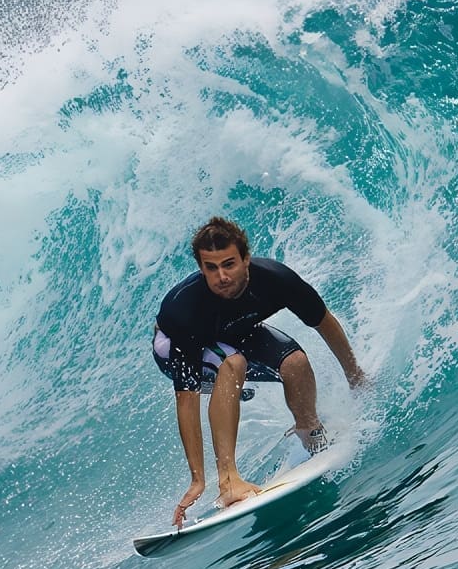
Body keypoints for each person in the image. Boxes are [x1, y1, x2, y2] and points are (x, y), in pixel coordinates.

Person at [153, 216, 366, 527]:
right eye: (211, 268)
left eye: (229, 264)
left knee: (295, 362)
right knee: (233, 363)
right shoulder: (185, 308)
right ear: (201, 268)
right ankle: (229, 481)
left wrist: (355, 376)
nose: (221, 276)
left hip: (235, 334)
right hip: (176, 347)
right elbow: (187, 400)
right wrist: (197, 479)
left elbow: (324, 322)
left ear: (246, 259)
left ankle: (311, 435)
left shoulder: (276, 280)